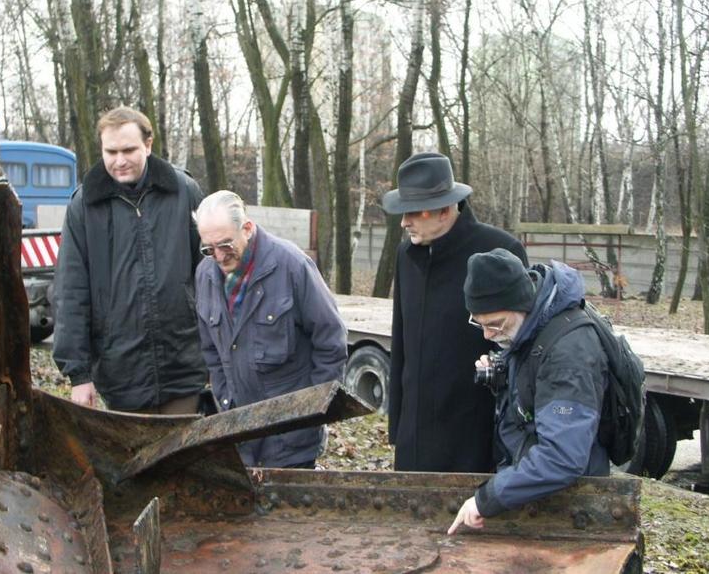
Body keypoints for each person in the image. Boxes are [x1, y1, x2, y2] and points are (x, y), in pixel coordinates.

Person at [54, 107, 207, 414]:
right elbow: (71, 291)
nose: (119, 160)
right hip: (120, 367)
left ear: (148, 146)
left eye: (129, 150)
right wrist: (79, 376)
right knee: (137, 460)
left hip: (184, 360)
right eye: (111, 151)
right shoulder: (85, 206)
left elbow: (209, 274)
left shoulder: (183, 191)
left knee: (184, 458)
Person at [382, 152, 528, 473]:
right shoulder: (406, 254)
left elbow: (522, 347)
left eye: (412, 213)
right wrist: (399, 426)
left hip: (475, 434)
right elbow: (401, 340)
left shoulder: (500, 252)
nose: (404, 222)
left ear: (446, 210)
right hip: (415, 435)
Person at [448, 248, 609, 532]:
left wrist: (487, 499)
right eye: (479, 324)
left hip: (572, 505)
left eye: (495, 325)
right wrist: (504, 379)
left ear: (521, 304)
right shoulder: (532, 326)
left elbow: (561, 457)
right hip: (533, 488)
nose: (487, 335)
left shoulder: (568, 354)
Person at [194, 190, 347, 468]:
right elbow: (211, 352)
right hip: (239, 436)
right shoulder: (205, 275)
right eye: (208, 248)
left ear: (247, 229)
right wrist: (225, 400)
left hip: (291, 438)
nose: (217, 256)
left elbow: (331, 341)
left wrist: (313, 413)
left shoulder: (291, 266)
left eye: (225, 245)